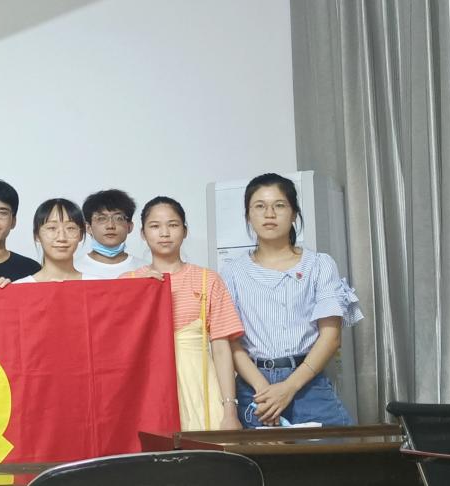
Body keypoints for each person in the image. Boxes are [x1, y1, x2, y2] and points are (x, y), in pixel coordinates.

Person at [221, 173, 362, 427]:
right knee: (254, 454)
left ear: (294, 213)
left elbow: (331, 337)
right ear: (248, 216)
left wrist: (288, 387)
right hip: (254, 389)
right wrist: (264, 389)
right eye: (260, 206)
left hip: (308, 384)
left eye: (279, 205)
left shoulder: (319, 265)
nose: (269, 214)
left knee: (341, 450)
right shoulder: (232, 272)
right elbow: (231, 342)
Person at [121, 196, 243, 431]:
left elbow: (221, 348)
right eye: (155, 226)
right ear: (143, 234)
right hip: (148, 390)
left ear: (185, 231)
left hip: (200, 388)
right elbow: (120, 348)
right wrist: (139, 292)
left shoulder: (208, 279)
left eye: (173, 225)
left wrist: (230, 410)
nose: (164, 233)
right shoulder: (128, 282)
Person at [15, 198, 94, 283]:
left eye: (70, 228)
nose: (61, 238)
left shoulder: (97, 284)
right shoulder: (19, 287)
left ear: (81, 235)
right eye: (52, 228)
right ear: (37, 235)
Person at [74, 189, 148, 278]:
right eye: (101, 218)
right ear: (88, 228)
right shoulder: (74, 270)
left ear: (129, 227)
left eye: (119, 218)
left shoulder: (145, 271)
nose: (110, 226)